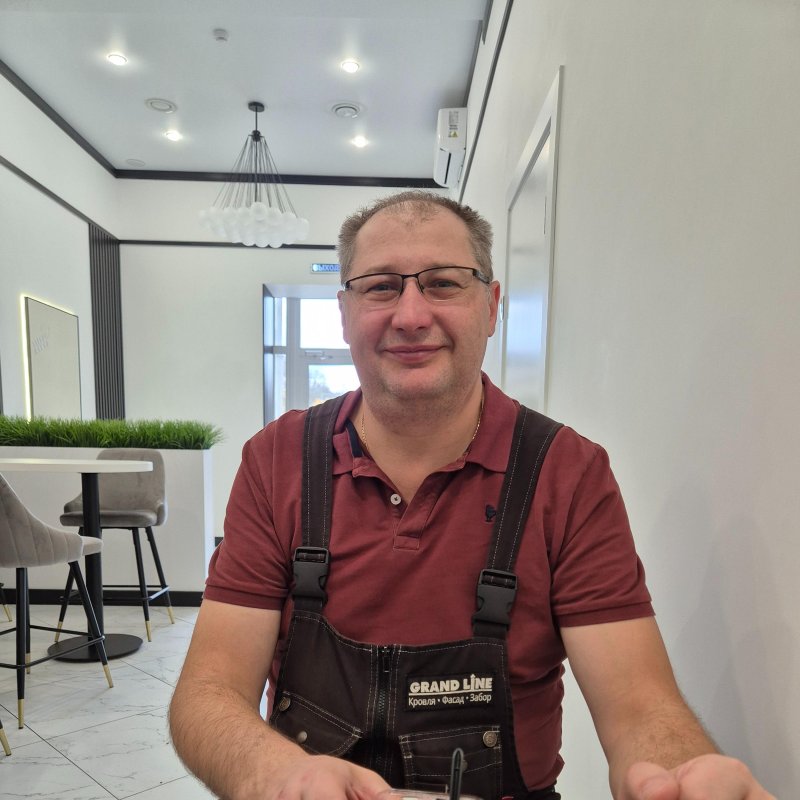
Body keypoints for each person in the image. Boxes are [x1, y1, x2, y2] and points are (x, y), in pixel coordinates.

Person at [169, 191, 774, 800]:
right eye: (380, 287)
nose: (410, 315)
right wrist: (279, 775)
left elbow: (641, 706)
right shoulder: (277, 459)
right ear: (345, 314)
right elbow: (209, 692)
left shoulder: (569, 473)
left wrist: (675, 778)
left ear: (491, 307)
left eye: (443, 283)